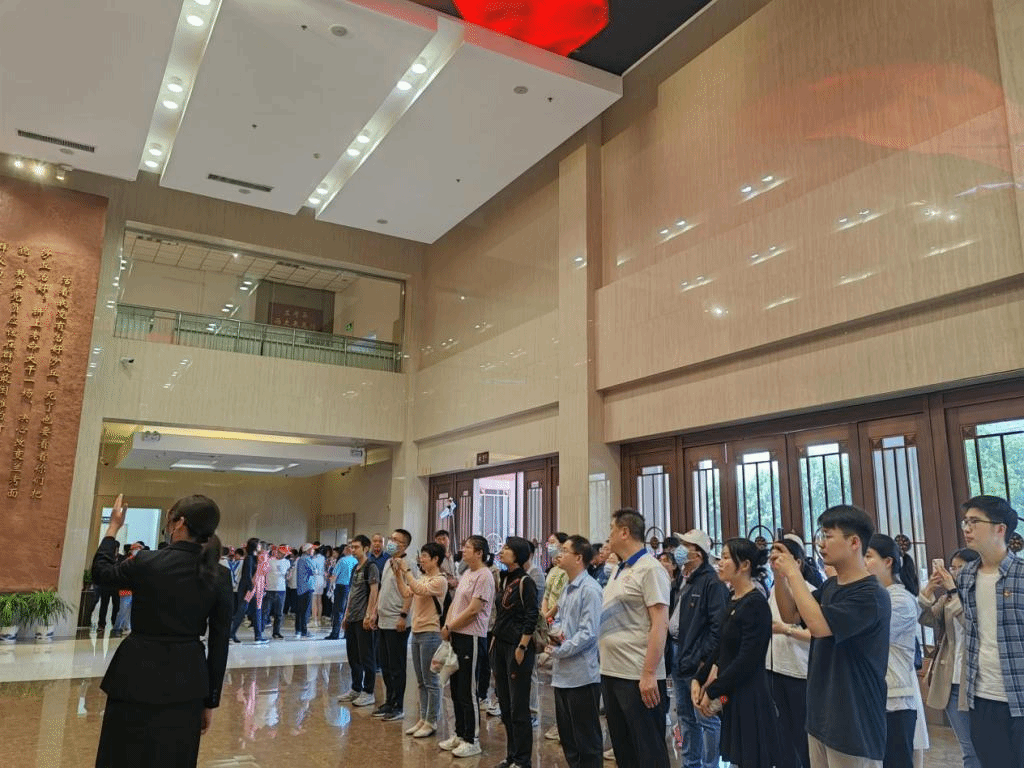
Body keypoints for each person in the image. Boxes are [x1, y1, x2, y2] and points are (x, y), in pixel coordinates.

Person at [91, 493, 232, 768]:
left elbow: (101, 573)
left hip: (134, 673)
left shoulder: (147, 561)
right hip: (187, 679)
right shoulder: (220, 575)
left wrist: (113, 527)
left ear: (179, 523)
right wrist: (210, 700)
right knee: (174, 756)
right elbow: (219, 642)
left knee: (122, 754)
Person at [771, 504, 890, 768]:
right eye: (821, 535)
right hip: (821, 716)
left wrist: (794, 572)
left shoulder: (871, 594)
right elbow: (791, 614)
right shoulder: (831, 586)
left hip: (854, 723)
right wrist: (780, 575)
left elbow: (819, 627)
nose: (821, 543)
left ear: (854, 542)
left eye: (828, 536)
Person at [693, 538, 780, 768]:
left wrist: (713, 690)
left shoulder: (755, 604)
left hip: (750, 697)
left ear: (744, 565)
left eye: (725, 557)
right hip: (732, 694)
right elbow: (722, 647)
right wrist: (699, 677)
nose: (720, 563)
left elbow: (747, 660)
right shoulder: (733, 599)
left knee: (751, 758)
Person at [600, 508, 672, 768]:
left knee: (648, 752)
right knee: (624, 749)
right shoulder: (619, 569)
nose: (608, 535)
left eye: (611, 529)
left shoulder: (650, 569)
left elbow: (660, 623)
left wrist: (649, 673)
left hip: (637, 674)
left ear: (624, 532)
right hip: (612, 671)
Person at [955, 495, 1024, 767]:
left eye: (975, 522)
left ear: (1000, 529)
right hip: (982, 697)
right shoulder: (965, 576)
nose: (967, 528)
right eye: (965, 522)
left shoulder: (1021, 574)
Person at [864, 533, 926, 768]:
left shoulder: (901, 600)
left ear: (888, 562)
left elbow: (867, 637)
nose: (863, 562)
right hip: (873, 696)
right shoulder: (876, 595)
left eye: (868, 556)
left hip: (895, 699)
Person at [918, 548, 981, 768]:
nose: (953, 572)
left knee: (986, 746)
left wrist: (954, 591)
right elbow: (927, 620)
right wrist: (928, 590)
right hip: (951, 681)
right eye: (952, 567)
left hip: (978, 682)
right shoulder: (946, 598)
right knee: (968, 748)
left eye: (960, 567)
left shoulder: (982, 596)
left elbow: (973, 627)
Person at [673, 529, 729, 768]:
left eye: (685, 545)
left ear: (698, 554)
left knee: (705, 717)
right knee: (685, 717)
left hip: (697, 662)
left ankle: (709, 764)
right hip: (679, 655)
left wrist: (703, 660)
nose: (679, 550)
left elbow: (718, 627)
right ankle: (691, 763)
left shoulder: (711, 582)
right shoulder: (685, 579)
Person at [547, 535, 603, 768]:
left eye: (565, 550)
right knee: (568, 738)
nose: (559, 554)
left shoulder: (590, 589)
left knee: (586, 740)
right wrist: (555, 634)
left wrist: (560, 649)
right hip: (562, 674)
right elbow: (559, 619)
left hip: (582, 675)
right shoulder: (567, 587)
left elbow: (588, 633)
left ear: (578, 558)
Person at [439, 535, 495, 757]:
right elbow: (456, 604)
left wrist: (450, 626)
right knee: (455, 688)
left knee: (467, 690)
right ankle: (460, 734)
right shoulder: (467, 573)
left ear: (479, 553)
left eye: (468, 547)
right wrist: (447, 626)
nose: (463, 550)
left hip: (471, 637)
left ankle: (472, 740)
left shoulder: (484, 575)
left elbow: (473, 610)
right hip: (456, 635)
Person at [492, 536, 541, 767]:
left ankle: (523, 759)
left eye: (507, 548)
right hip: (500, 645)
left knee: (518, 707)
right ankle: (511, 755)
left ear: (518, 555)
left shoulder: (525, 582)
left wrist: (522, 647)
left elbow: (532, 616)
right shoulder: (504, 579)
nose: (502, 551)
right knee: (505, 706)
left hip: (517, 647)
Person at [767, 537, 815, 768]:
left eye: (780, 554)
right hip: (775, 668)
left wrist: (785, 629)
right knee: (782, 733)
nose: (774, 559)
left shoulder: (810, 592)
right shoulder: (773, 590)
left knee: (801, 734)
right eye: (772, 555)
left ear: (797, 561)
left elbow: (815, 632)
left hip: (799, 672)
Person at [395, 541, 449, 738]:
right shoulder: (423, 577)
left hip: (431, 633)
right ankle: (423, 718)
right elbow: (406, 592)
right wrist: (398, 574)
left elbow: (418, 589)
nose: (421, 559)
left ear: (435, 559)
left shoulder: (440, 580)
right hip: (417, 632)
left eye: (425, 556)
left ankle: (432, 720)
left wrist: (407, 570)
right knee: (420, 681)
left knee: (431, 680)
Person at [376, 528, 414, 722]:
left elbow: (410, 592)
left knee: (396, 666)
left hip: (397, 621)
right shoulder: (387, 562)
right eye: (390, 538)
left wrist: (403, 616)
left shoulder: (409, 564)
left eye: (395, 539)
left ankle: (398, 705)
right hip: (383, 620)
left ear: (404, 545)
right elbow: (383, 589)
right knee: (385, 664)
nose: (390, 542)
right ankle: (389, 701)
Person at [339, 535, 380, 708]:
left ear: (366, 548)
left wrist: (369, 615)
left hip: (363, 618)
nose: (353, 550)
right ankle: (356, 688)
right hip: (352, 618)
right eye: (352, 547)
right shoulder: (355, 568)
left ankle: (368, 691)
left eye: (356, 547)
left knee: (366, 656)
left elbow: (374, 592)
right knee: (353, 656)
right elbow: (352, 593)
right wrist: (346, 615)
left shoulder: (371, 567)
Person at [229, 538, 264, 644]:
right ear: (255, 546)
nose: (260, 546)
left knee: (255, 611)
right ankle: (232, 634)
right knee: (242, 611)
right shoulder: (249, 558)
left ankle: (258, 636)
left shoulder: (254, 558)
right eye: (259, 544)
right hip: (248, 590)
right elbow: (247, 576)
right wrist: (251, 589)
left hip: (251, 589)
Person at [324, 543, 357, 641]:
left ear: (346, 550)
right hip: (351, 587)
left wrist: (330, 585)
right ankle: (347, 633)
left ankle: (335, 633)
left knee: (338, 610)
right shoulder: (356, 561)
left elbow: (334, 576)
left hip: (341, 587)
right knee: (348, 610)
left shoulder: (342, 560)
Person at [263, 545, 290, 640]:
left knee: (279, 613)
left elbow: (287, 575)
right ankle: (261, 631)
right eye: (282, 553)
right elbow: (263, 573)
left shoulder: (287, 562)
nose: (284, 555)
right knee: (265, 612)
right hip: (269, 589)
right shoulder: (270, 561)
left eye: (285, 554)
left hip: (281, 590)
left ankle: (276, 632)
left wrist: (288, 576)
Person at [294, 544, 315, 638]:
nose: (313, 551)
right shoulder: (307, 559)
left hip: (301, 588)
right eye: (312, 549)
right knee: (305, 611)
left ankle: (298, 630)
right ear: (307, 550)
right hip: (307, 587)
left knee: (299, 610)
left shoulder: (300, 559)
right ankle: (304, 631)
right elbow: (314, 571)